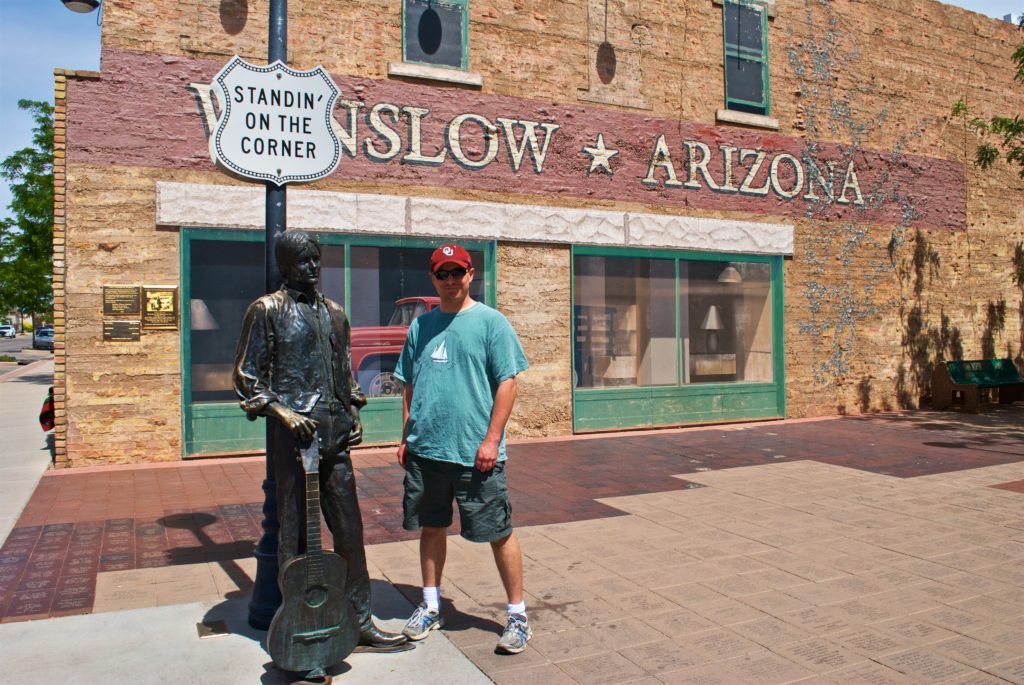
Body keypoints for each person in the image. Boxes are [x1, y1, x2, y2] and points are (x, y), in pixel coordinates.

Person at [233, 230, 408, 658]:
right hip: (294, 442)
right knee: (293, 535)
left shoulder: (335, 313)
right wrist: (284, 413)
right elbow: (246, 375)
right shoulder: (267, 310)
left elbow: (344, 373)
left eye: (316, 259)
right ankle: (297, 624)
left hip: (335, 438)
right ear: (286, 265)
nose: (313, 267)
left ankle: (361, 619)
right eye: (304, 261)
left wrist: (353, 411)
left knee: (350, 531)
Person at [394, 244, 532, 654]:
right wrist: (405, 436)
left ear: (471, 274)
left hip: (477, 455)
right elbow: (408, 384)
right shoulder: (421, 327)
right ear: (433, 278)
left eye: (458, 272)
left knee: (499, 533)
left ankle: (518, 616)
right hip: (427, 453)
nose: (450, 280)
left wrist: (491, 440)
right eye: (443, 273)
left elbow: (508, 382)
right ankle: (431, 606)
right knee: (431, 527)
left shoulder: (492, 323)